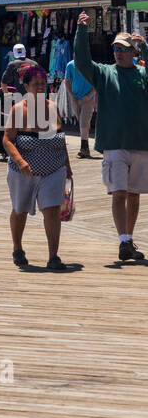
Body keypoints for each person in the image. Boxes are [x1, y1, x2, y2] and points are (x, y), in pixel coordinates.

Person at [74, 13, 148, 262]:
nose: (118, 52)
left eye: (124, 49)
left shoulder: (142, 75)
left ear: (133, 52)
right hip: (114, 144)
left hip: (140, 144)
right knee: (119, 192)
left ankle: (128, 238)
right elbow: (82, 62)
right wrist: (81, 31)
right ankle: (123, 241)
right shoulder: (104, 73)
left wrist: (146, 49)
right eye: (115, 48)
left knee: (134, 194)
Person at [2, 61, 72, 271]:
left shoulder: (52, 107)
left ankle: (53, 256)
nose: (41, 87)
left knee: (51, 210)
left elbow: (60, 139)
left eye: (44, 84)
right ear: (26, 86)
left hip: (54, 170)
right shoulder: (17, 110)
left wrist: (68, 166)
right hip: (23, 172)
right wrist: (20, 161)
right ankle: (17, 248)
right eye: (36, 84)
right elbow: (7, 140)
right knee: (20, 209)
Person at [63, 52, 97, 160]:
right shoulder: (70, 65)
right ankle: (85, 146)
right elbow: (67, 81)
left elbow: (97, 82)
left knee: (83, 122)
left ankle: (84, 148)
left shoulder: (92, 65)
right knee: (82, 122)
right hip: (75, 98)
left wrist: (90, 95)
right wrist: (71, 95)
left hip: (88, 99)